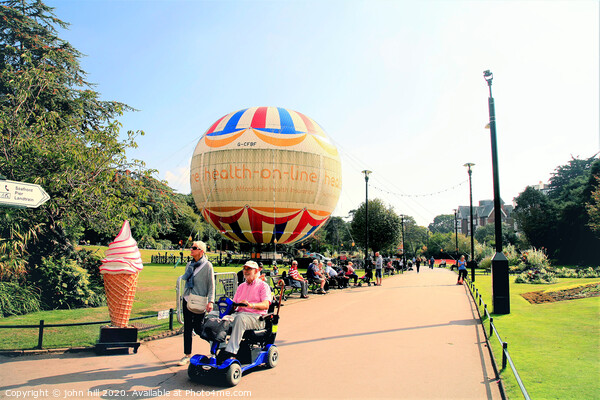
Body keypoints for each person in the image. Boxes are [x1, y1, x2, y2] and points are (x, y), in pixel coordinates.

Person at [221, 260, 271, 360]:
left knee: (240, 318)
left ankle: (231, 352)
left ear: (256, 271)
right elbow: (234, 304)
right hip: (240, 314)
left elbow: (266, 305)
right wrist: (228, 305)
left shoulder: (263, 286)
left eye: (249, 269)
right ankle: (220, 348)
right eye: (244, 268)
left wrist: (250, 305)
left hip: (257, 317)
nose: (245, 271)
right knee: (217, 318)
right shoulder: (241, 286)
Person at [179, 241, 215, 366]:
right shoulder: (189, 264)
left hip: (199, 300)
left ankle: (215, 342)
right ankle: (187, 354)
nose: (191, 249)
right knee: (187, 328)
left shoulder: (207, 266)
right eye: (191, 247)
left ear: (201, 251)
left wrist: (210, 301)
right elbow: (186, 279)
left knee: (198, 328)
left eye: (194, 248)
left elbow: (211, 285)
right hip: (188, 299)